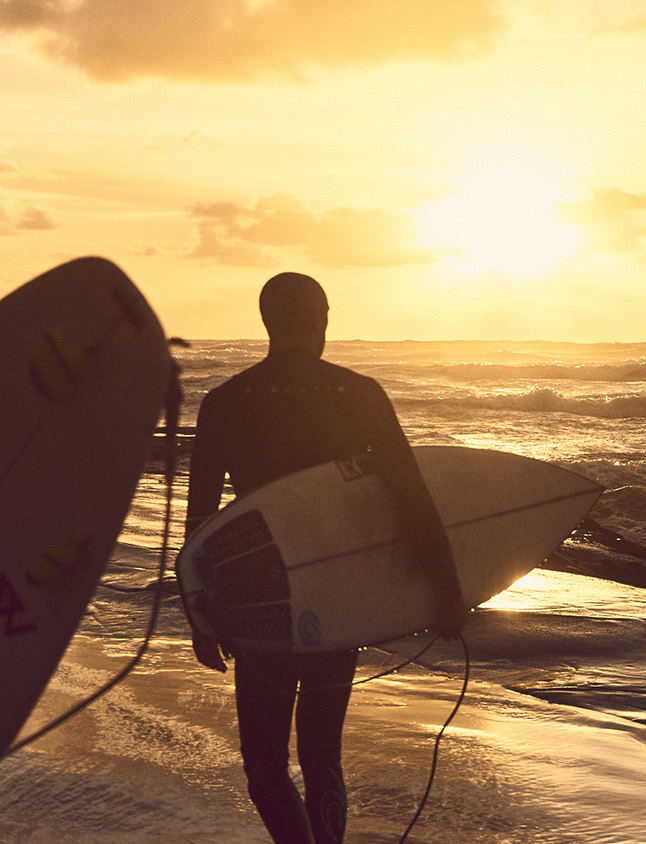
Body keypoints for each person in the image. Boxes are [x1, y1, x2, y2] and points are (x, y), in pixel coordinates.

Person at [184, 272, 464, 844]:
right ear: (322, 318)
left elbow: (202, 526)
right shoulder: (359, 395)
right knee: (321, 755)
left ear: (266, 322)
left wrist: (200, 614)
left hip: (258, 598)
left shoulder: (224, 403)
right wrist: (446, 590)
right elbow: (410, 500)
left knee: (264, 764)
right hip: (336, 600)